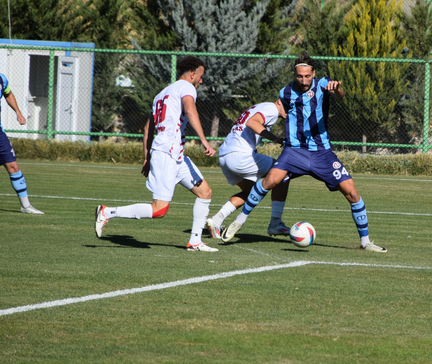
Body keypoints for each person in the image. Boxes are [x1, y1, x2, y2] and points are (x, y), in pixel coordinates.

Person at [220, 52, 387, 253]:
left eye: (307, 76)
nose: (304, 80)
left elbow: (339, 96)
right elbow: (281, 113)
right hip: (294, 152)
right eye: (300, 76)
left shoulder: (323, 83)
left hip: (322, 154)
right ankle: (239, 222)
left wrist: (338, 88)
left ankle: (365, 242)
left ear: (313, 73)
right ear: (295, 74)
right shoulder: (285, 93)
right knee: (270, 181)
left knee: (352, 192)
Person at [95, 56, 218, 252]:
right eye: (201, 76)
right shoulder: (187, 88)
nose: (201, 81)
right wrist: (204, 140)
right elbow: (191, 110)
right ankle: (107, 212)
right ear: (193, 74)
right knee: (159, 209)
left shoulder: (161, 94)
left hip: (173, 154)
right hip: (167, 153)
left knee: (205, 192)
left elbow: (147, 128)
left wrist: (147, 157)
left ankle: (195, 242)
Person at [205, 99, 291, 239]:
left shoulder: (260, 106)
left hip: (225, 155)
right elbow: (252, 123)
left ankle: (217, 220)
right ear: (280, 101)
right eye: (288, 107)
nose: (288, 113)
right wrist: (275, 139)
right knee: (284, 173)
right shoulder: (272, 109)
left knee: (251, 193)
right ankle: (275, 223)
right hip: (240, 156)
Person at [0, 50, 44, 215]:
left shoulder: (0, 79)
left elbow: (8, 94)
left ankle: (26, 206)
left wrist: (18, 113)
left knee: (13, 166)